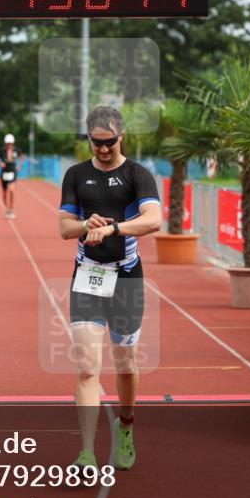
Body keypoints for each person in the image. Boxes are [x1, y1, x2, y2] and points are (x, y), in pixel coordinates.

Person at [58, 106, 162, 471]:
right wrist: (86, 225)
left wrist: (114, 228)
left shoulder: (138, 174)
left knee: (126, 363)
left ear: (122, 137)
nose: (103, 149)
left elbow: (153, 220)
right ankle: (87, 451)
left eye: (109, 143)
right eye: (96, 143)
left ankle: (127, 424)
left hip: (126, 277)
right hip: (87, 275)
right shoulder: (76, 175)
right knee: (87, 367)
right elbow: (64, 228)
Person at [0, 134, 25, 219]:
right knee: (4, 194)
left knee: (11, 190)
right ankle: (7, 208)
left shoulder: (16, 150)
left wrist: (19, 165)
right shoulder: (2, 150)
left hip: (13, 172)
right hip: (4, 173)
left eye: (10, 143)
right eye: (8, 143)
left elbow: (22, 157)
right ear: (6, 143)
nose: (9, 144)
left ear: (13, 143)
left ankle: (11, 208)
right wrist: (0, 163)